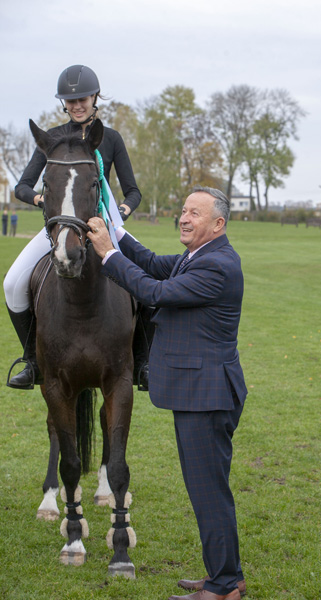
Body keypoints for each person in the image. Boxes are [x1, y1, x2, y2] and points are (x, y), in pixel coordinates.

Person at [87, 186, 247, 600]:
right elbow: (154, 263)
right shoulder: (197, 257)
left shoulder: (217, 266)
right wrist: (118, 232)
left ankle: (224, 586)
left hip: (207, 397)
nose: (184, 218)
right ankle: (226, 576)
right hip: (199, 393)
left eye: (195, 213)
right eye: (184, 210)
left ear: (218, 224)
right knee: (209, 492)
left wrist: (108, 254)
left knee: (209, 495)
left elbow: (154, 292)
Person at [4, 64, 149, 390]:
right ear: (64, 103)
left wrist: (121, 211)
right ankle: (32, 361)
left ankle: (143, 363)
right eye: (70, 101)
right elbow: (22, 186)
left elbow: (133, 191)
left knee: (148, 281)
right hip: (61, 228)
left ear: (94, 97)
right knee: (12, 283)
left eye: (82, 99)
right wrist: (45, 201)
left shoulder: (110, 138)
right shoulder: (52, 138)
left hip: (103, 226)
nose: (77, 105)